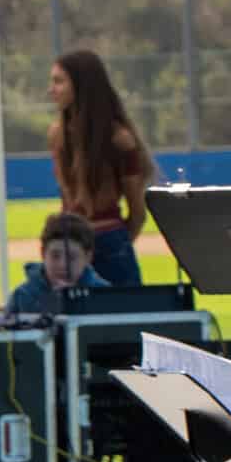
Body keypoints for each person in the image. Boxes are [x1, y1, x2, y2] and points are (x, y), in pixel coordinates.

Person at [46, 49, 154, 287]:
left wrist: (115, 246)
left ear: (81, 85)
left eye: (58, 81)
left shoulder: (119, 139)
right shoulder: (57, 135)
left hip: (109, 244)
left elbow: (137, 213)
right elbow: (66, 201)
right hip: (70, 245)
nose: (51, 90)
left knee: (126, 321)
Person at [6, 212, 109, 315]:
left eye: (72, 257)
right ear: (43, 253)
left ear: (87, 257)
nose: (63, 265)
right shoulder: (22, 297)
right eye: (55, 256)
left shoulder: (104, 296)